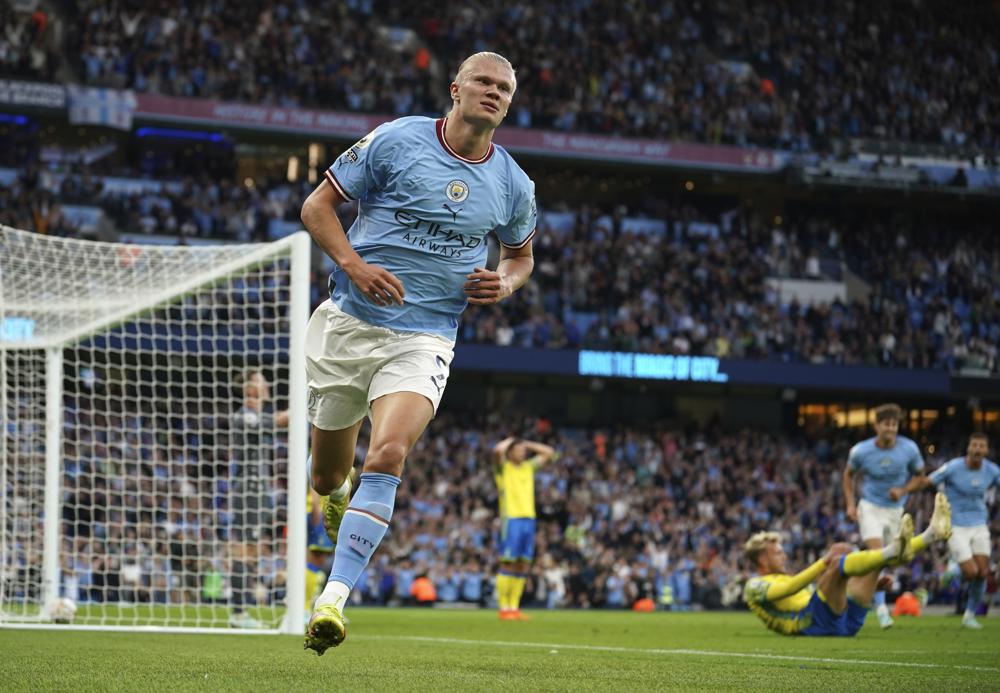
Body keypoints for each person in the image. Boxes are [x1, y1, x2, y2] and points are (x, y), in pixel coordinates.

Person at [301, 51, 537, 655]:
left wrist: (504, 284)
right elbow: (317, 208)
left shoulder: (513, 184)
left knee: (391, 450)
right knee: (328, 471)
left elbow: (520, 257)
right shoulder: (398, 140)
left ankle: (332, 601)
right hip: (348, 325)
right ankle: (335, 492)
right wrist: (354, 265)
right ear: (456, 89)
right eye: (484, 82)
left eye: (505, 89)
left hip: (426, 335)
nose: (494, 93)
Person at [743, 493, 952, 636]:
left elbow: (822, 592)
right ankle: (896, 549)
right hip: (812, 624)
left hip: (842, 623)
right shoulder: (754, 586)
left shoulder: (783, 577)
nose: (784, 556)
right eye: (778, 553)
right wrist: (824, 562)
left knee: (872, 563)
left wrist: (870, 587)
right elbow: (790, 588)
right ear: (762, 559)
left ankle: (930, 535)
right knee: (837, 564)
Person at [893, 432, 1000, 629]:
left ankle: (969, 615)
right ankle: (953, 570)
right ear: (968, 447)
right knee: (971, 572)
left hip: (979, 525)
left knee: (983, 573)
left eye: (981, 446)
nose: (977, 449)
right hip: (956, 525)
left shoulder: (992, 471)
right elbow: (927, 482)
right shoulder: (952, 467)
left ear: (986, 450)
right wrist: (903, 490)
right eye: (974, 445)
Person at [841, 403, 925, 629]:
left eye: (894, 424)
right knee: (878, 555)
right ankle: (881, 610)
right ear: (877, 426)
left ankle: (857, 586)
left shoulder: (909, 449)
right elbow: (848, 476)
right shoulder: (861, 451)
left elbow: (920, 477)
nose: (890, 429)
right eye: (886, 424)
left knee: (891, 560)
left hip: (895, 511)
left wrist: (904, 490)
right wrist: (851, 504)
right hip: (869, 507)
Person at [228, 369, 288, 628]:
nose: (266, 385)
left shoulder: (258, 415)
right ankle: (238, 613)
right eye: (261, 381)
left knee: (252, 554)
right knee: (244, 550)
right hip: (248, 490)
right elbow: (278, 421)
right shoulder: (244, 416)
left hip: (260, 491)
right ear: (248, 388)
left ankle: (242, 612)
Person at [491, 436, 558, 620]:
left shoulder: (529, 467)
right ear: (510, 452)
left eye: (523, 450)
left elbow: (550, 453)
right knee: (508, 561)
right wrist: (511, 440)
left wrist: (527, 443)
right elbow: (497, 451)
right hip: (511, 520)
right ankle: (503, 608)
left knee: (523, 564)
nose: (522, 452)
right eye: (518, 449)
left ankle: (514, 607)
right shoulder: (503, 468)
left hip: (529, 520)